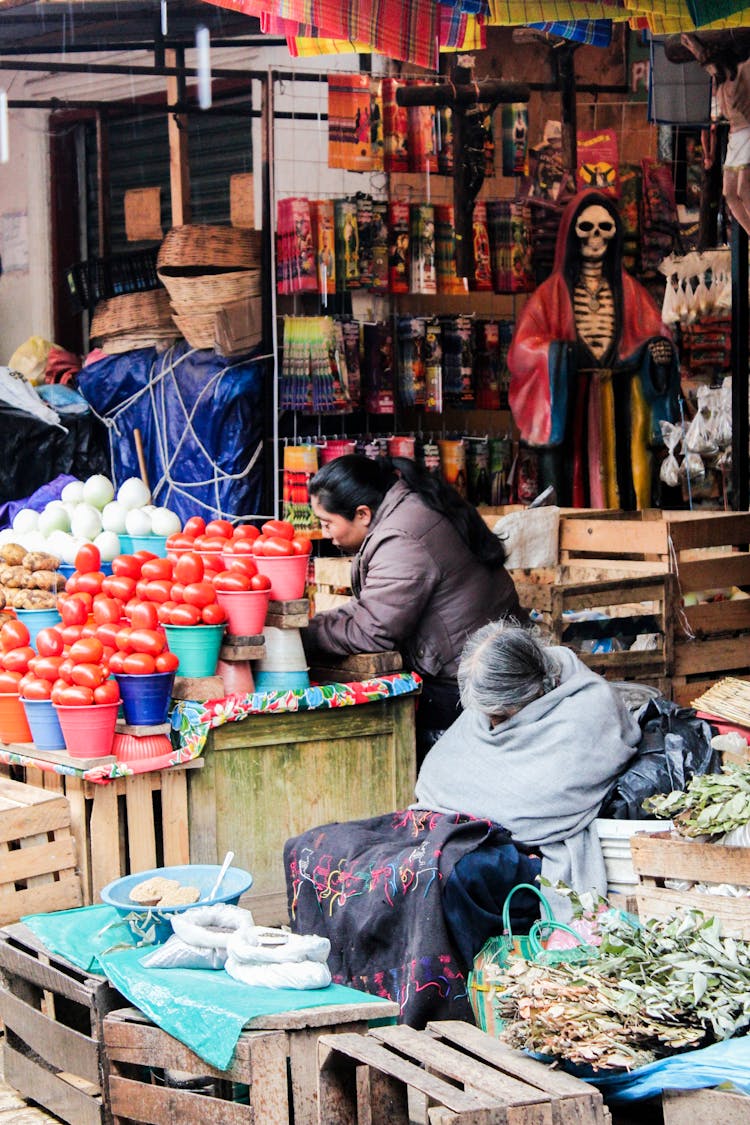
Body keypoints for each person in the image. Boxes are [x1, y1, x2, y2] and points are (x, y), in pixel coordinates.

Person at [305, 454, 524, 763]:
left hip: (469, 682)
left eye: (328, 523)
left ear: (363, 513)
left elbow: (373, 631)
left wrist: (302, 636)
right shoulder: (410, 505)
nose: (326, 534)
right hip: (490, 661)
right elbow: (374, 606)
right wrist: (313, 623)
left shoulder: (401, 538)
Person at [413, 621, 641, 919]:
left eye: (499, 714)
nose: (492, 724)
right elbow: (439, 773)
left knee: (456, 876)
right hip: (468, 838)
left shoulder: (588, 712)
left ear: (531, 691)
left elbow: (538, 804)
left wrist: (469, 802)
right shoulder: (498, 697)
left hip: (523, 856)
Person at [507, 188, 680, 509]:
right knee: (569, 485)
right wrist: (560, 354)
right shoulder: (549, 295)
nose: (595, 237)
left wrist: (657, 351)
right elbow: (522, 351)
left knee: (627, 486)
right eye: (586, 227)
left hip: (622, 410)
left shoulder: (632, 292)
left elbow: (658, 335)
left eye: (605, 227)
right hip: (571, 408)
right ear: (572, 234)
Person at [681, 32, 750, 236]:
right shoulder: (721, 81)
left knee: (743, 189)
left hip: (747, 132)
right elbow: (706, 61)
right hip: (735, 137)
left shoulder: (743, 72)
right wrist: (693, 45)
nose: (711, 70)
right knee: (729, 193)